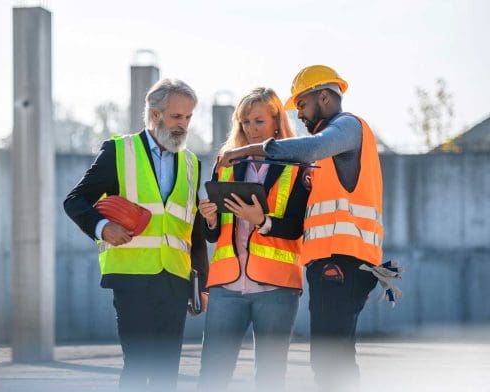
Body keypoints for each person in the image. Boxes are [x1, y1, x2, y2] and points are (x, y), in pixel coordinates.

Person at [218, 65, 383, 390]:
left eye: (303, 106)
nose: (301, 116)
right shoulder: (329, 150)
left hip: (344, 261)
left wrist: (247, 150)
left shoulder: (347, 126)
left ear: (324, 96)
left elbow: (310, 148)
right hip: (332, 263)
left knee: (330, 361)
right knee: (332, 359)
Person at [63, 78, 209, 390]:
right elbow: (74, 200)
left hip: (175, 280)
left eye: (188, 117)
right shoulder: (119, 152)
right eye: (176, 117)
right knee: (139, 364)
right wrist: (103, 228)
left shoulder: (191, 163)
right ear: (155, 115)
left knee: (167, 371)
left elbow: (193, 230)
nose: (184, 125)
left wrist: (201, 284)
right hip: (132, 278)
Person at [197, 87, 309, 390]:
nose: (250, 129)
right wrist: (209, 217)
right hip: (226, 287)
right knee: (212, 375)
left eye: (258, 121)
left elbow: (298, 226)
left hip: (276, 287)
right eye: (245, 122)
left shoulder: (298, 165)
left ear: (276, 122)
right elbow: (212, 234)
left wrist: (261, 221)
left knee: (271, 378)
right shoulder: (227, 161)